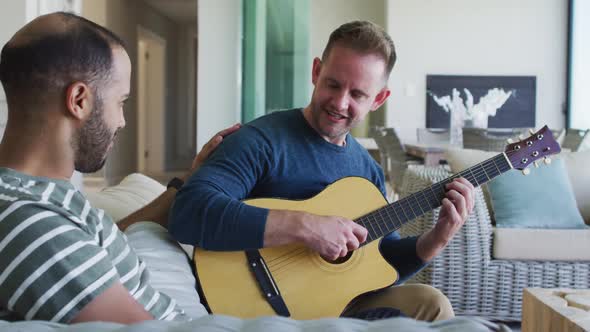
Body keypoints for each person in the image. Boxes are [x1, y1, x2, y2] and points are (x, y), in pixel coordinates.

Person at [170, 20, 475, 321]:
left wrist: (437, 238)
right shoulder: (261, 140)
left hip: (332, 305)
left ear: (379, 99)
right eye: (333, 84)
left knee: (432, 303)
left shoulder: (367, 170)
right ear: (316, 72)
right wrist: (305, 226)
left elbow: (383, 262)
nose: (340, 103)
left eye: (357, 94)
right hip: (258, 307)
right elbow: (188, 211)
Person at [0, 12, 239, 324]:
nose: (122, 121)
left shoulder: (36, 201)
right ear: (79, 100)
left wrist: (188, 183)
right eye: (121, 101)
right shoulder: (30, 224)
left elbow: (92, 248)